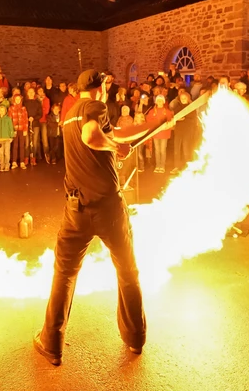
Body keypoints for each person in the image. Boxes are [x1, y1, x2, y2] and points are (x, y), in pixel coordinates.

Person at [35, 69, 159, 366]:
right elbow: (94, 137)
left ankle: (51, 343)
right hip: (108, 208)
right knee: (127, 271)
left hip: (76, 209)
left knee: (64, 274)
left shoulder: (69, 115)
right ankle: (135, 339)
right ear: (99, 88)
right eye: (105, 85)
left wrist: (155, 123)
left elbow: (113, 133)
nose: (107, 89)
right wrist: (115, 148)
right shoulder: (96, 107)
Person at [146, 95, 173, 174]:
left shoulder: (167, 111)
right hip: (156, 133)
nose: (159, 102)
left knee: (162, 150)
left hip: (164, 134)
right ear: (156, 102)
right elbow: (148, 119)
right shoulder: (152, 111)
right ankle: (158, 166)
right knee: (157, 150)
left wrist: (166, 125)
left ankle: (162, 166)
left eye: (161, 100)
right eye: (158, 101)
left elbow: (170, 121)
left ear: (163, 102)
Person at [23, 87, 44, 167]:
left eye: (32, 92)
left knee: (34, 143)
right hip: (26, 124)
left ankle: (33, 158)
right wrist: (27, 118)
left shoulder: (38, 102)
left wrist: (34, 118)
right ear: (27, 93)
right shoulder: (24, 102)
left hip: (35, 124)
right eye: (29, 92)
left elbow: (40, 113)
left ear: (34, 93)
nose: (31, 93)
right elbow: (23, 112)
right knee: (27, 143)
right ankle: (26, 158)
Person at [9, 94, 29, 170]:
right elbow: (10, 120)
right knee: (15, 146)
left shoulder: (23, 108)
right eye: (16, 99)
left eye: (19, 99)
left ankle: (22, 162)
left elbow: (25, 119)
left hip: (21, 129)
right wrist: (12, 130)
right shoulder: (11, 108)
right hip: (14, 130)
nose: (17, 100)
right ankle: (14, 162)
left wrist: (25, 130)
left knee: (22, 146)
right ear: (14, 100)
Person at [0, 104, 14, 172]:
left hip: (7, 139)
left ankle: (7, 165)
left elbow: (11, 128)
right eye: (0, 110)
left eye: (3, 110)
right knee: (1, 153)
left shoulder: (8, 119)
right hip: (0, 139)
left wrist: (11, 136)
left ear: (5, 111)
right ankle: (1, 165)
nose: (2, 112)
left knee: (7, 153)